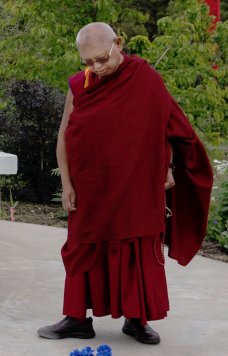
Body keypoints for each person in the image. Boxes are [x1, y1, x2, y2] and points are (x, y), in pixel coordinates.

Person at [37, 22, 213, 345]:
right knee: (81, 246)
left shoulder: (145, 78)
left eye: (102, 58)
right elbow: (63, 135)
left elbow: (168, 125)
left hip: (137, 183)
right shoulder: (80, 85)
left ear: (118, 43)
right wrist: (66, 183)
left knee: (136, 248)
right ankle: (77, 319)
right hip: (90, 185)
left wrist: (169, 165)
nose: (97, 67)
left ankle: (137, 320)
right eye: (88, 62)